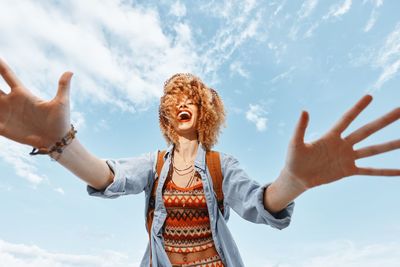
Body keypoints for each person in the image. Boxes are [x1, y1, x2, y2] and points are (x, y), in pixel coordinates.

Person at [0, 58, 399, 267]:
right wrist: (60, 144)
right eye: (174, 99)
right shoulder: (153, 164)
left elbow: (259, 203)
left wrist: (294, 181)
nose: (183, 103)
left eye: (191, 97)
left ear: (204, 110)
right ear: (166, 114)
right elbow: (108, 176)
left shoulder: (221, 165)